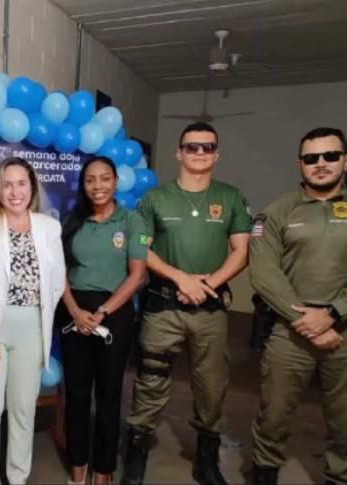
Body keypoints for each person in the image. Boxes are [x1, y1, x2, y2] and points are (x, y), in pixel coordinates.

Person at [122, 122, 251, 485]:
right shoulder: (155, 199)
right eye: (192, 147)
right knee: (150, 381)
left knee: (212, 387)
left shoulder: (231, 197)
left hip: (210, 310)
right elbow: (141, 248)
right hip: (164, 308)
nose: (199, 153)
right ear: (178, 153)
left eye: (207, 147)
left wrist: (205, 284)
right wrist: (181, 278)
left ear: (216, 154)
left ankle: (206, 460)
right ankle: (136, 457)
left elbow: (242, 252)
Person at [249, 127, 347, 485]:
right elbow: (264, 273)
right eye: (311, 158)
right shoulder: (276, 212)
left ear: (345, 160)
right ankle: (264, 475)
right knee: (273, 417)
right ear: (299, 164)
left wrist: (333, 313)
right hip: (289, 331)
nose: (320, 163)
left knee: (345, 422)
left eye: (330, 156)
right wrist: (305, 321)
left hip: (343, 330)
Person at [0, 157, 66, 484]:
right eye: (7, 184)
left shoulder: (49, 228)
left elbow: (57, 281)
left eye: (21, 183)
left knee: (23, 410)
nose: (15, 191)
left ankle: (18, 478)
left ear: (32, 187)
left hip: (32, 328)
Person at [58, 156, 147, 485]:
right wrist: (74, 310)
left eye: (105, 178)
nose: (98, 186)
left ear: (116, 182)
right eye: (90, 179)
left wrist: (103, 312)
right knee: (76, 394)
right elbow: (59, 271)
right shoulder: (73, 221)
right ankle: (78, 464)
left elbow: (137, 275)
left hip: (114, 313)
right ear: (83, 185)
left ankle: (104, 469)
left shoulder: (132, 221)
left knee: (109, 395)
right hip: (74, 312)